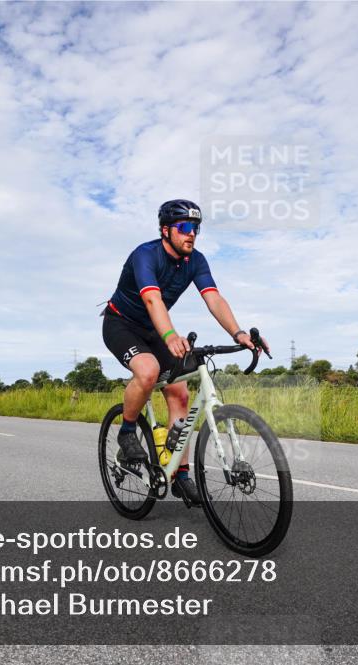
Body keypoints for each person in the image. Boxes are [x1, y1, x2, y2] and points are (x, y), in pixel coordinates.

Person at [102, 199, 269, 506]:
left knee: (179, 394)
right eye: (184, 228)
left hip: (154, 329)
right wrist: (169, 336)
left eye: (196, 228)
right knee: (149, 372)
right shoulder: (145, 255)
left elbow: (214, 299)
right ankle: (127, 431)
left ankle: (180, 474)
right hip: (121, 325)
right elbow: (152, 300)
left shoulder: (196, 260)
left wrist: (239, 333)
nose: (191, 234)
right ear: (166, 231)